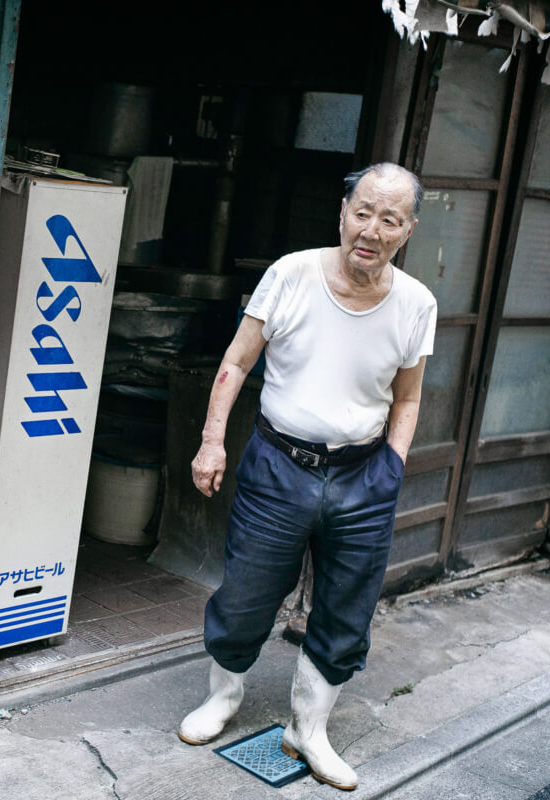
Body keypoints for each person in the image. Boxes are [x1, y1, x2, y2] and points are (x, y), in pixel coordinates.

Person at [176, 163, 436, 791]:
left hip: (363, 475)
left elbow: (407, 399)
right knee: (245, 594)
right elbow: (237, 363)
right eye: (363, 212)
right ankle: (225, 696)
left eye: (390, 219)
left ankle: (308, 729)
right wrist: (212, 443)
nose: (372, 229)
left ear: (408, 230)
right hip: (278, 465)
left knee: (348, 608)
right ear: (343, 212)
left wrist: (392, 466)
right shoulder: (290, 274)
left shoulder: (416, 303)